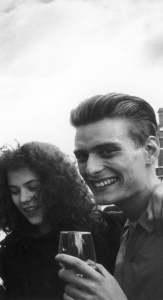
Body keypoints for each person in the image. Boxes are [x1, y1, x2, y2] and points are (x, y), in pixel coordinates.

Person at [56, 93, 163, 300]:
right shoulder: (130, 224)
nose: (91, 169)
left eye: (108, 151)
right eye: (82, 157)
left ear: (150, 151)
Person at [0, 141, 125, 299]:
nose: (24, 198)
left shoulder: (106, 230)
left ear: (56, 186)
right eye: (15, 191)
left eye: (33, 187)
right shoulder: (11, 253)